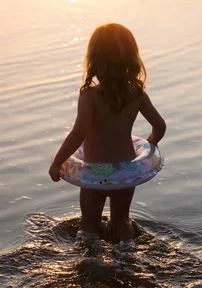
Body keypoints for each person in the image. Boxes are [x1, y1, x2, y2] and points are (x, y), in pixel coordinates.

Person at [48, 23, 166, 244]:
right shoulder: (137, 94)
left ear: (95, 60)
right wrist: (151, 144)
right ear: (131, 59)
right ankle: (128, 254)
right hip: (125, 171)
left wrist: (57, 162)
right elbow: (160, 125)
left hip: (94, 173)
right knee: (121, 220)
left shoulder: (89, 96)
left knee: (89, 225)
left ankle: (88, 259)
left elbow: (78, 133)